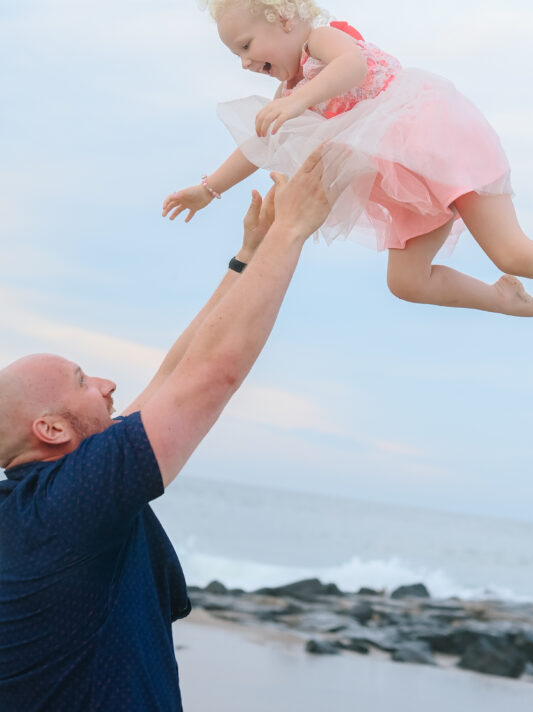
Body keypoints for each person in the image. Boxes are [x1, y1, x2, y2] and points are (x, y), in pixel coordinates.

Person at [162, 0, 533, 363]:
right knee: (406, 283)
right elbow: (259, 143)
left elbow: (353, 68)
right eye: (237, 55)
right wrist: (208, 189)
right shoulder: (291, 91)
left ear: (285, 18)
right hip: (401, 179)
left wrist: (298, 100)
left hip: (433, 139)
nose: (246, 62)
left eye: (247, 45)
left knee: (512, 249)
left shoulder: (321, 40)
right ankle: (501, 299)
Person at [0, 151, 331, 711]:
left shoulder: (39, 500)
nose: (108, 384)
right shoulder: (70, 506)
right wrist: (293, 230)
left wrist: (247, 258)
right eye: (83, 380)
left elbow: (174, 375)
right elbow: (210, 376)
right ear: (51, 427)